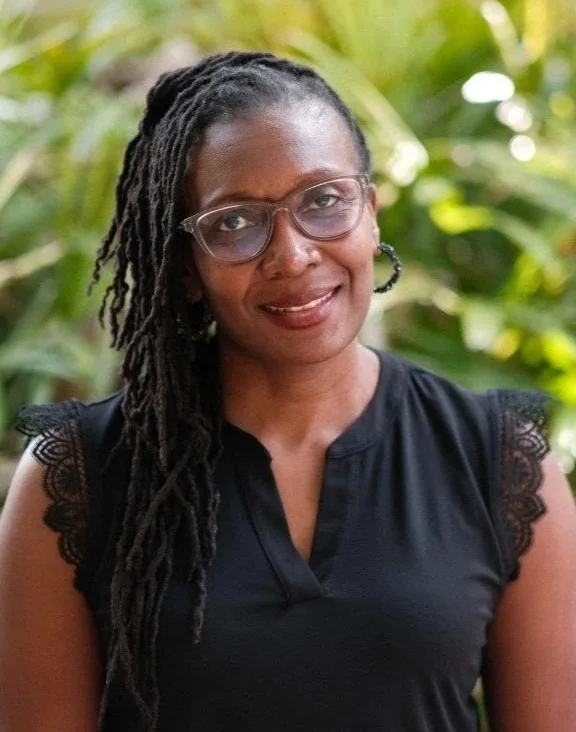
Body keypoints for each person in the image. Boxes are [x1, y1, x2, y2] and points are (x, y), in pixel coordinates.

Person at [0, 51, 574, 732]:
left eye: (324, 200)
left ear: (371, 214)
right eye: (235, 222)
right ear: (187, 266)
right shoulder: (77, 478)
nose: (293, 255)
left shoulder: (499, 461)